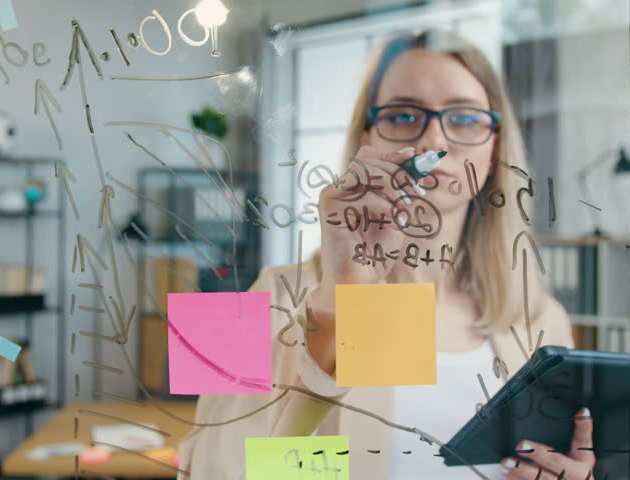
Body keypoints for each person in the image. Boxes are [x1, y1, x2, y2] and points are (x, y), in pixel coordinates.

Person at [178, 29, 594, 479]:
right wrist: (346, 295)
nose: (434, 141)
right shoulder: (262, 293)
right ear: (365, 138)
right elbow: (206, 469)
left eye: (466, 119)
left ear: (495, 149)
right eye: (402, 115)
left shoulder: (539, 317)